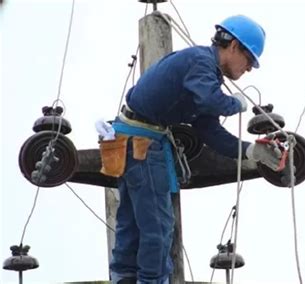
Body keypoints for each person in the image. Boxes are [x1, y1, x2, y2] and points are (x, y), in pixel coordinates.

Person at [108, 15, 283, 284]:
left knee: (132, 225)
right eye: (249, 60)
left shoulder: (202, 72)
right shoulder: (201, 63)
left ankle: (124, 279)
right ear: (234, 46)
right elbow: (212, 102)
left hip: (132, 141)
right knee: (158, 227)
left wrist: (251, 151)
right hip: (143, 144)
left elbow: (209, 130)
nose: (248, 69)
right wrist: (236, 103)